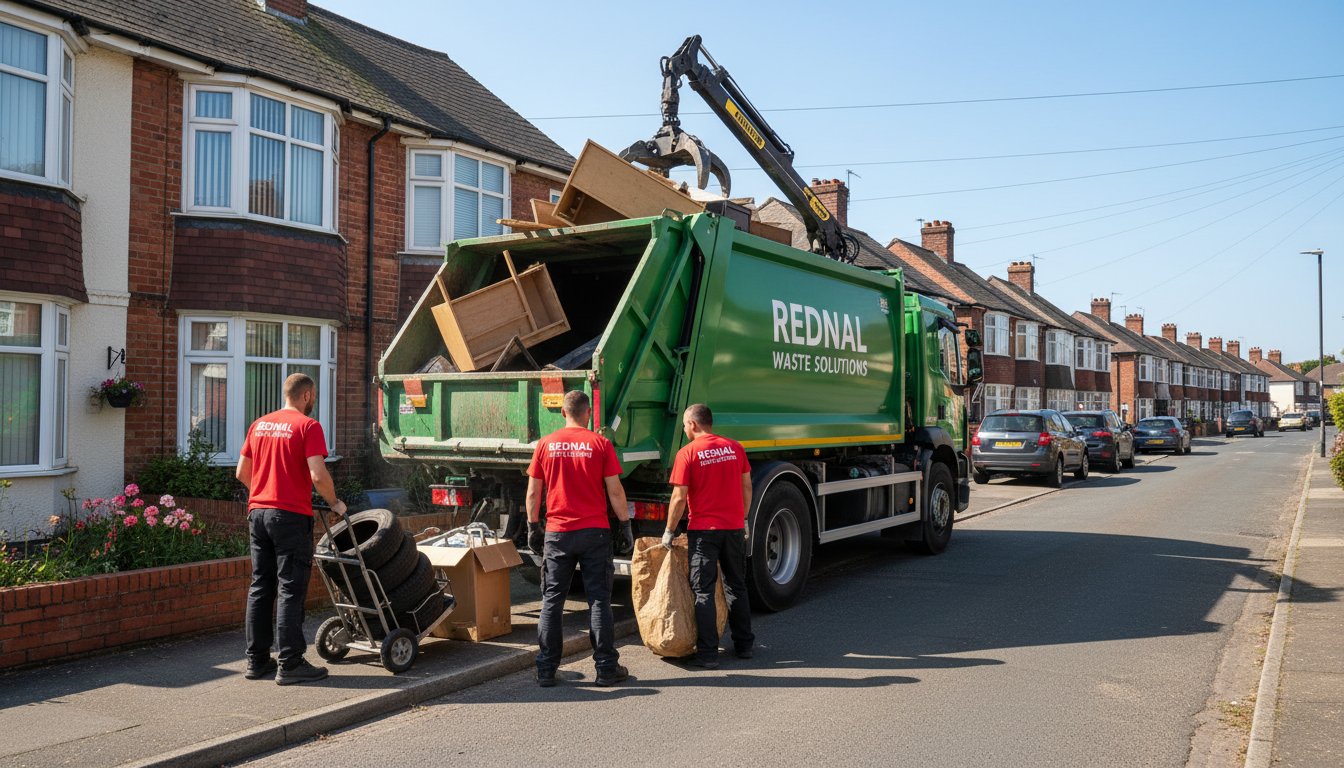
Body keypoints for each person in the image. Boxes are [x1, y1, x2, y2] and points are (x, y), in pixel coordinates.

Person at [235, 373, 346, 685]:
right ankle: (291, 663)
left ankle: (257, 662)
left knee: (260, 587)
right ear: (307, 396)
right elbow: (318, 475)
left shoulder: (259, 424)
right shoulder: (308, 426)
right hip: (290, 517)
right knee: (290, 588)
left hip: (258, 513)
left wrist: (267, 491)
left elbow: (242, 472)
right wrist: (335, 503)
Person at [526, 390, 634, 688]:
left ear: (563, 412)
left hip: (558, 533)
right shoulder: (600, 444)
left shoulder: (545, 444)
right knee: (599, 600)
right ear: (588, 414)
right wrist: (625, 525)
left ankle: (546, 669)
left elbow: (534, 492)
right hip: (594, 532)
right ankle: (606, 669)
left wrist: (532, 525)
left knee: (552, 601)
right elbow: (615, 491)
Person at [664, 403, 754, 669]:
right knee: (736, 586)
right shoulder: (735, 448)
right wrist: (743, 518)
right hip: (734, 528)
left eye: (684, 425)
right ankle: (744, 646)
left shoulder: (687, 453)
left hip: (704, 532)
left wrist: (669, 531)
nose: (684, 429)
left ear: (693, 424)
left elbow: (679, 497)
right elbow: (746, 486)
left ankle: (707, 654)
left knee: (703, 592)